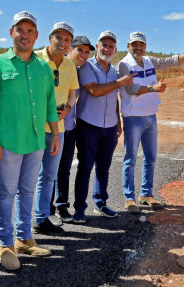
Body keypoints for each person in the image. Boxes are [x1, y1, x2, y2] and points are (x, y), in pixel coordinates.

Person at [0, 11, 61, 271]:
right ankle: (6, 244)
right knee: (7, 193)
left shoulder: (43, 68)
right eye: (20, 30)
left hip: (37, 141)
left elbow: (50, 104)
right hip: (7, 143)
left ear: (36, 35)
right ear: (11, 32)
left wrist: (56, 134)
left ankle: (25, 238)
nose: (24, 35)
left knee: (28, 191)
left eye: (29, 31)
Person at [117, 32, 184, 213]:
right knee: (130, 159)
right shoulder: (123, 64)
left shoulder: (149, 61)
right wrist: (153, 88)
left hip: (150, 116)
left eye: (141, 44)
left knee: (150, 158)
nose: (138, 47)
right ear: (128, 46)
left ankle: (146, 194)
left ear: (145, 46)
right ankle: (129, 198)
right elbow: (131, 89)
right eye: (134, 44)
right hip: (133, 118)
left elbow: (173, 60)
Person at [72, 30, 135, 223]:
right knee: (85, 167)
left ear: (115, 50)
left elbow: (113, 96)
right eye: (104, 45)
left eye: (111, 46)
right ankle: (79, 209)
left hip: (109, 126)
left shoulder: (114, 70)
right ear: (97, 47)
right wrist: (120, 82)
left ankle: (100, 203)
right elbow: (94, 91)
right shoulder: (87, 66)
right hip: (88, 125)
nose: (107, 49)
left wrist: (117, 120)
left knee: (104, 167)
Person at [32, 22, 78, 236]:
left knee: (49, 175)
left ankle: (41, 218)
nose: (63, 42)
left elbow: (72, 93)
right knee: (26, 178)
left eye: (67, 39)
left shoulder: (69, 65)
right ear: (50, 38)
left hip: (57, 128)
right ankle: (23, 224)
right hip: (33, 127)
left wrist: (68, 109)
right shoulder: (34, 59)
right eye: (59, 37)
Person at [48, 36, 94, 225]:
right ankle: (47, 210)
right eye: (79, 50)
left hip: (70, 128)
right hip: (51, 128)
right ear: (70, 50)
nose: (83, 54)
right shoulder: (57, 66)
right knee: (49, 171)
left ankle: (61, 206)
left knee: (64, 170)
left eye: (86, 51)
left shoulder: (79, 70)